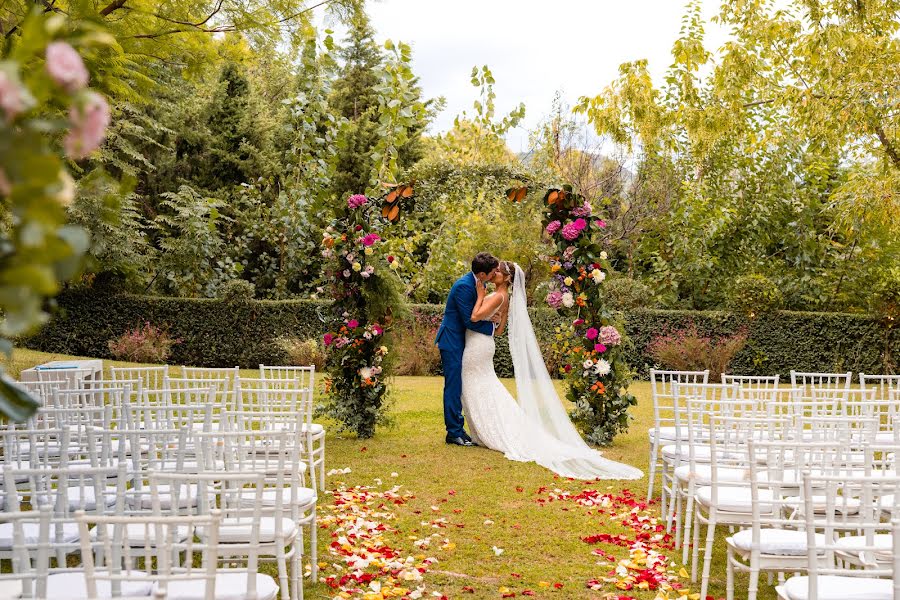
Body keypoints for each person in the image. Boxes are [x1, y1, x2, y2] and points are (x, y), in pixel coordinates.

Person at [460, 260, 642, 480]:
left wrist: (480, 295)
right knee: (484, 387)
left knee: (480, 386)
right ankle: (483, 429)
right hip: (482, 344)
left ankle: (490, 430)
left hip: (478, 347)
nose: (494, 273)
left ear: (507, 279)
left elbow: (473, 316)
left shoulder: (498, 295)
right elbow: (498, 330)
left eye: (498, 271)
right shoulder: (505, 298)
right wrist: (491, 318)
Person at [434, 252, 500, 447]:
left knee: (458, 386)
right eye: (493, 271)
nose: (495, 273)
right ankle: (453, 432)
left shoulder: (478, 284)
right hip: (451, 340)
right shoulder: (464, 286)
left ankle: (459, 430)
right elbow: (469, 321)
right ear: (482, 274)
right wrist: (492, 327)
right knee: (453, 386)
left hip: (460, 340)